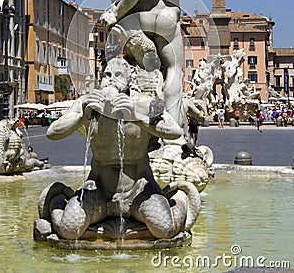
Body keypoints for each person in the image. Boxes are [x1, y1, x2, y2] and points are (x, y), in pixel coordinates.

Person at [44, 58, 199, 240]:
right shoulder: (87, 102)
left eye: (117, 75)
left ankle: (179, 198)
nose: (110, 80)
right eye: (107, 75)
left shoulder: (147, 102)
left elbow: (174, 131)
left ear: (130, 79)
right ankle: (59, 198)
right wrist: (80, 116)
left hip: (138, 190)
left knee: (165, 229)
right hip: (99, 189)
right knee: (69, 231)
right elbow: (52, 132)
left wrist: (137, 115)